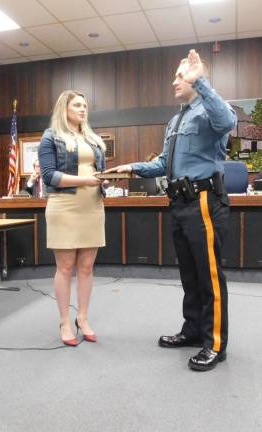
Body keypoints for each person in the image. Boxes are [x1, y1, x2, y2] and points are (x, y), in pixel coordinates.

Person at [106, 49, 236, 371]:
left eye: (181, 75)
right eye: (177, 76)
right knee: (189, 275)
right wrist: (132, 168)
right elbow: (164, 163)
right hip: (179, 203)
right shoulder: (177, 119)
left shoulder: (209, 110)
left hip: (204, 201)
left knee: (209, 277)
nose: (174, 81)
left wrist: (201, 80)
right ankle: (193, 330)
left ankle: (215, 343)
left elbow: (228, 120)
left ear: (195, 76)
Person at [38, 90, 107, 347]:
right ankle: (65, 321)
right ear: (64, 108)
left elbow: (96, 171)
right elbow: (49, 176)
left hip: (93, 205)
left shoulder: (91, 137)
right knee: (65, 267)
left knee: (87, 266)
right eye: (77, 105)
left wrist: (102, 178)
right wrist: (84, 180)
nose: (82, 109)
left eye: (85, 105)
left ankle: (83, 318)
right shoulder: (51, 136)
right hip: (64, 205)